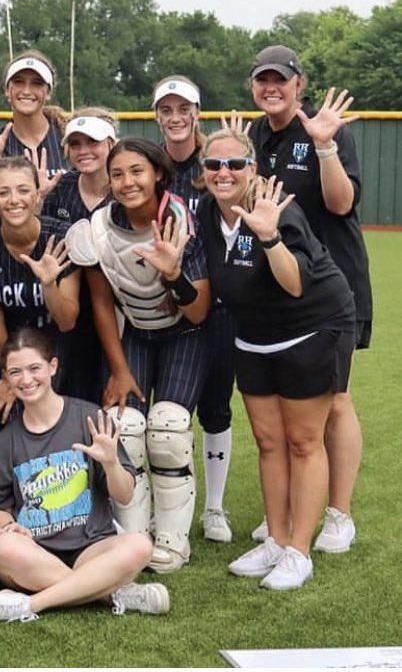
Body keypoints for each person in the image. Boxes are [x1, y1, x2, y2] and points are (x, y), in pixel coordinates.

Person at [198, 127, 356, 589]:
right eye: (213, 165)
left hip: (313, 325)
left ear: (253, 168)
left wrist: (268, 237)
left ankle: (298, 551)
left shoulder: (275, 204)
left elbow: (294, 284)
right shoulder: (208, 213)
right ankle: (276, 538)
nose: (223, 173)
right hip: (254, 333)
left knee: (304, 442)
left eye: (233, 164)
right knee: (269, 442)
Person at [65, 137, 211, 573]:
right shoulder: (96, 229)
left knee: (167, 429)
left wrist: (173, 274)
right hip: (137, 333)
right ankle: (132, 535)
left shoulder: (182, 220)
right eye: (117, 174)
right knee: (125, 428)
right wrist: (120, 368)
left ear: (158, 174)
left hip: (186, 332)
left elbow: (199, 310)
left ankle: (172, 538)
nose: (127, 182)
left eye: (137, 171)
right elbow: (102, 303)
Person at [246, 45, 371, 554]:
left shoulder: (327, 127)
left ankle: (338, 513)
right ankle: (296, 508)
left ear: (300, 83)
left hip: (334, 285)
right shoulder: (256, 134)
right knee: (289, 409)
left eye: (281, 79)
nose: (271, 88)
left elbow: (342, 203)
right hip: (282, 287)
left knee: (335, 401)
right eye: (262, 80)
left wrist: (323, 146)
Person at [0, 328, 169, 623]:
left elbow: (125, 495)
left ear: (52, 366)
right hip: (35, 552)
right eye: (16, 372)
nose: (26, 380)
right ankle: (108, 592)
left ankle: (30, 604)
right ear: (7, 378)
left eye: (34, 368)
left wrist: (112, 463)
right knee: (1, 547)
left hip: (92, 548)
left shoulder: (90, 419)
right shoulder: (4, 442)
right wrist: (10, 525)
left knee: (139, 545)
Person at [151, 76, 236, 544]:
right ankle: (160, 503)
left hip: (221, 302)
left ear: (197, 112)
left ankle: (215, 507)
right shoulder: (155, 165)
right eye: (167, 109)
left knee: (217, 407)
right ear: (157, 115)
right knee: (166, 410)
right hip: (168, 305)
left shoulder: (214, 165)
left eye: (184, 108)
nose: (176, 117)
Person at [0, 156, 79, 422]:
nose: (14, 200)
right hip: (7, 341)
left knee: (54, 417)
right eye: (4, 192)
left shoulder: (61, 238)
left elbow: (67, 320)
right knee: (10, 416)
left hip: (55, 338)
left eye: (23, 190)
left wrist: (48, 283)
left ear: (38, 195)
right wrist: (9, 373)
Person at [38, 108, 118, 404]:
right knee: (68, 401)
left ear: (111, 143)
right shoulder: (60, 189)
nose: (84, 150)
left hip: (121, 314)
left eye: (92, 142)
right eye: (75, 144)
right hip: (67, 313)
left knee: (116, 407)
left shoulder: (127, 188)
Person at [0, 50, 68, 182]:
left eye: (36, 83)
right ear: (7, 90)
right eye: (19, 82)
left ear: (48, 92)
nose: (26, 91)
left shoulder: (67, 136)